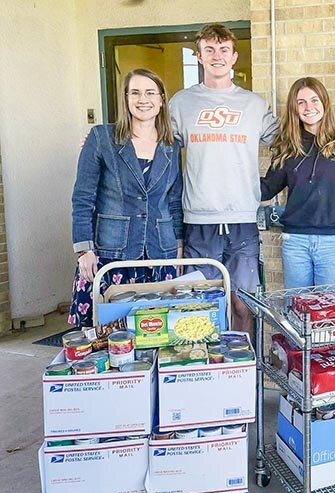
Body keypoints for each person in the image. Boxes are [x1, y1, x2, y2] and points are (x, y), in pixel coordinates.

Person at [169, 23, 279, 332]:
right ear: (199, 56)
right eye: (209, 50)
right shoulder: (180, 104)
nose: (217, 56)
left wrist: (332, 134)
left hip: (242, 219)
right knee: (199, 307)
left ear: (234, 57)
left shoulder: (255, 105)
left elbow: (289, 144)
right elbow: (151, 143)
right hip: (198, 221)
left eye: (223, 50)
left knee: (244, 304)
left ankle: (241, 372)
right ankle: (205, 374)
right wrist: (108, 137)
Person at [69, 69, 183, 328]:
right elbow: (83, 198)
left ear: (162, 99)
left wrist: (178, 244)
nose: (143, 99)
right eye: (135, 92)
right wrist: (84, 249)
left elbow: (174, 200)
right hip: (111, 253)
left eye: (150, 92)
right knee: (107, 333)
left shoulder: (171, 145)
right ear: (126, 98)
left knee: (157, 332)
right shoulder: (101, 138)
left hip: (159, 253)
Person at [260, 77, 335, 289]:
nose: (309, 107)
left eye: (314, 100)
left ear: (324, 102)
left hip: (333, 243)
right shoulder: (288, 148)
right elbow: (266, 188)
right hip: (294, 243)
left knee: (330, 314)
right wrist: (231, 178)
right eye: (301, 102)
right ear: (294, 109)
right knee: (296, 310)